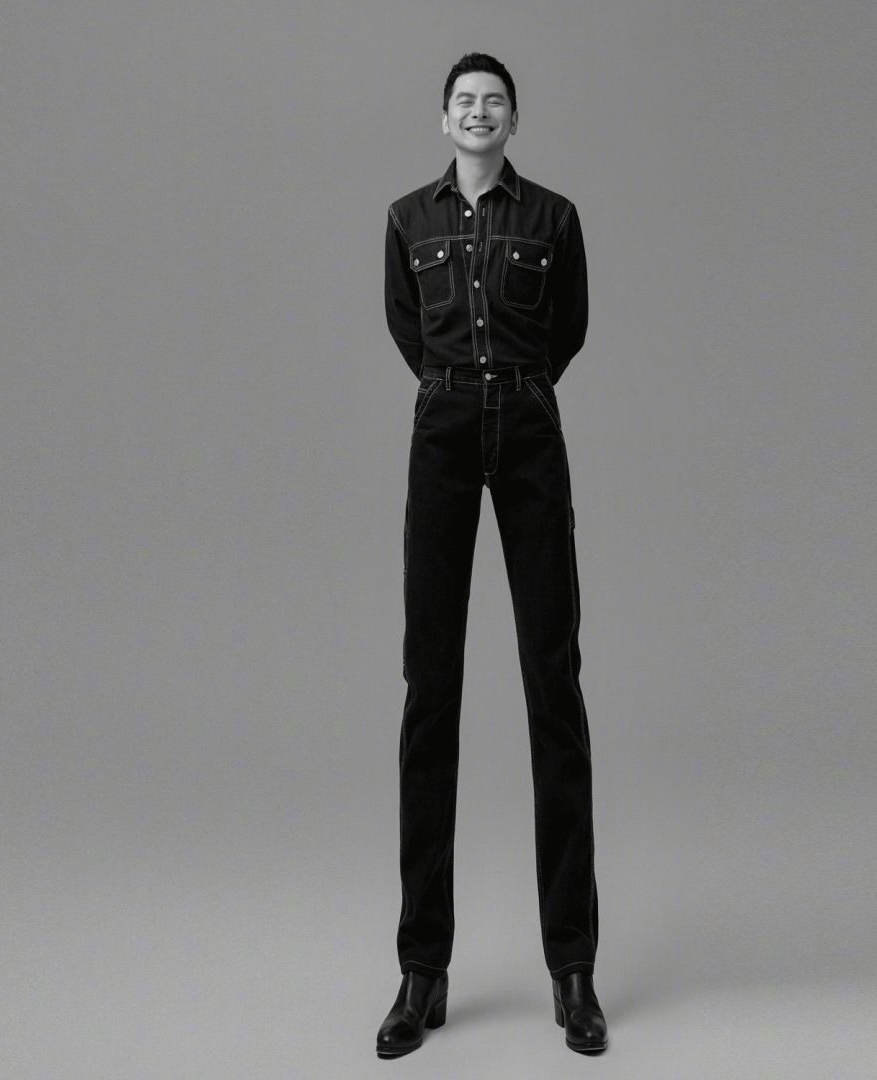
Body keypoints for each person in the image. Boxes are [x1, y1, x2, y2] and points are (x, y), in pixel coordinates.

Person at [377, 52, 607, 1057]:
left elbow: (568, 329)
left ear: (514, 119)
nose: (479, 113)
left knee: (553, 684)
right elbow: (406, 327)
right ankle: (421, 971)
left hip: (529, 429)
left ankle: (574, 970)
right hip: (440, 430)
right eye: (464, 102)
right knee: (430, 692)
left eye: (494, 102)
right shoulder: (407, 220)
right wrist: (458, 391)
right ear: (444, 119)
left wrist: (512, 386)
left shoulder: (553, 218)